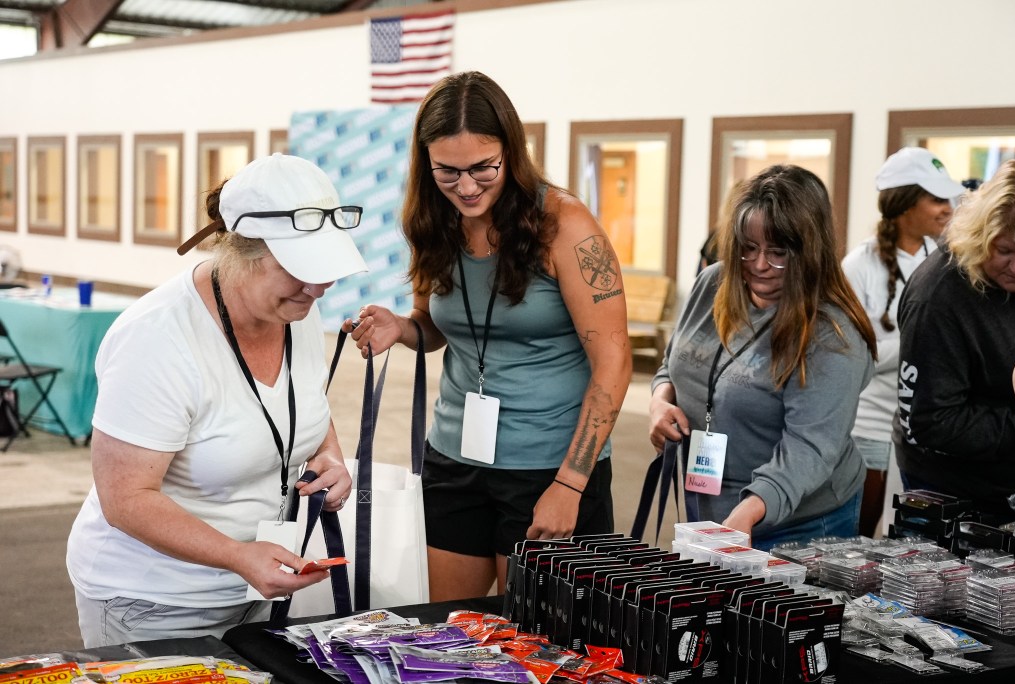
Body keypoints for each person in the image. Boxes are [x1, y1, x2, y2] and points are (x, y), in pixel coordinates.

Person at [343, 71, 631, 601]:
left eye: (483, 168)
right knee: (451, 631)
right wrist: (402, 328)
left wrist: (570, 484)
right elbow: (434, 325)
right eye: (448, 172)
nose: (467, 187)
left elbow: (614, 363)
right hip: (454, 460)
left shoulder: (565, 225)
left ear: (511, 153)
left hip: (549, 466)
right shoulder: (434, 221)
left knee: (540, 639)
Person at [66, 154, 365, 646]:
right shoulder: (157, 339)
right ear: (240, 252)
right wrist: (236, 555)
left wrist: (328, 456)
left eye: (326, 269)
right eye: (300, 270)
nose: (318, 288)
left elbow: (302, 403)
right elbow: (126, 499)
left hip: (258, 589)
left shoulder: (297, 310)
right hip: (154, 602)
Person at [649, 165, 876, 550]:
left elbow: (810, 446)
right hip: (711, 502)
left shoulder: (832, 334)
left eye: (778, 253)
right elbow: (673, 363)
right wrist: (659, 400)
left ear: (810, 251)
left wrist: (752, 508)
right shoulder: (713, 283)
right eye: (748, 248)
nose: (758, 265)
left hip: (796, 521)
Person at [842, 147, 963, 537]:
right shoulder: (858, 266)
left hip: (922, 437)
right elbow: (848, 356)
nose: (947, 208)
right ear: (904, 203)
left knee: (908, 546)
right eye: (936, 199)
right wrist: (921, 346)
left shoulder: (946, 262)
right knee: (858, 540)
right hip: (870, 428)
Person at [895, 156, 1015, 521]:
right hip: (952, 490)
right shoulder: (937, 296)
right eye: (1005, 251)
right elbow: (933, 420)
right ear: (982, 236)